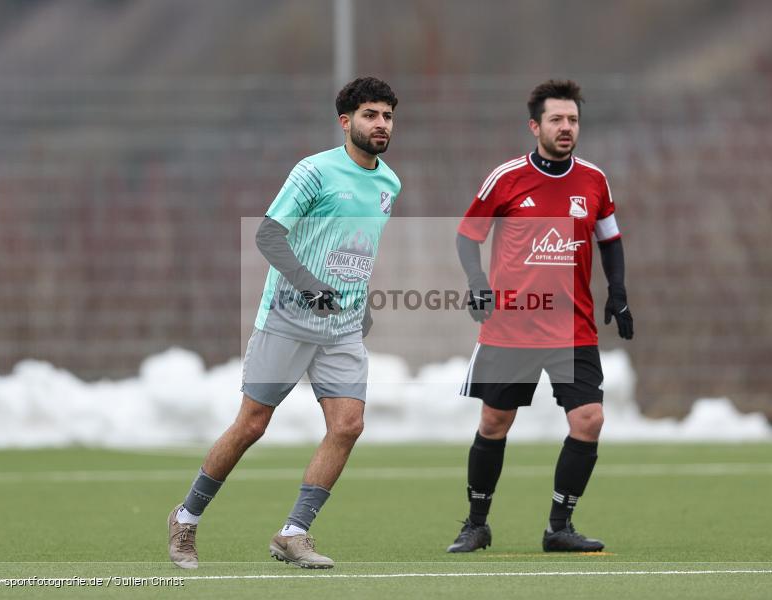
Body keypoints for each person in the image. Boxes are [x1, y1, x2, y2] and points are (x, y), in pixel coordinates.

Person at [168, 77, 400, 570]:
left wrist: (361, 301)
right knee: (252, 424)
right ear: (346, 122)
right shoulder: (313, 172)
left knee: (348, 425)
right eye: (370, 115)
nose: (381, 125)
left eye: (387, 116)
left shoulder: (389, 183)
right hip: (288, 318)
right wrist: (308, 283)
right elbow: (269, 236)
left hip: (341, 326)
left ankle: (294, 532)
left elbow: (355, 247)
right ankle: (186, 518)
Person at [448, 79, 633, 553]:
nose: (566, 127)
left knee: (588, 420)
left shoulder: (594, 180)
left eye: (572, 119)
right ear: (535, 126)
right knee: (495, 422)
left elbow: (609, 241)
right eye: (556, 119)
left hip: (573, 327)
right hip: (512, 326)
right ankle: (476, 523)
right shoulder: (506, 178)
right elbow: (468, 235)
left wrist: (618, 291)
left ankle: (559, 527)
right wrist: (476, 282)